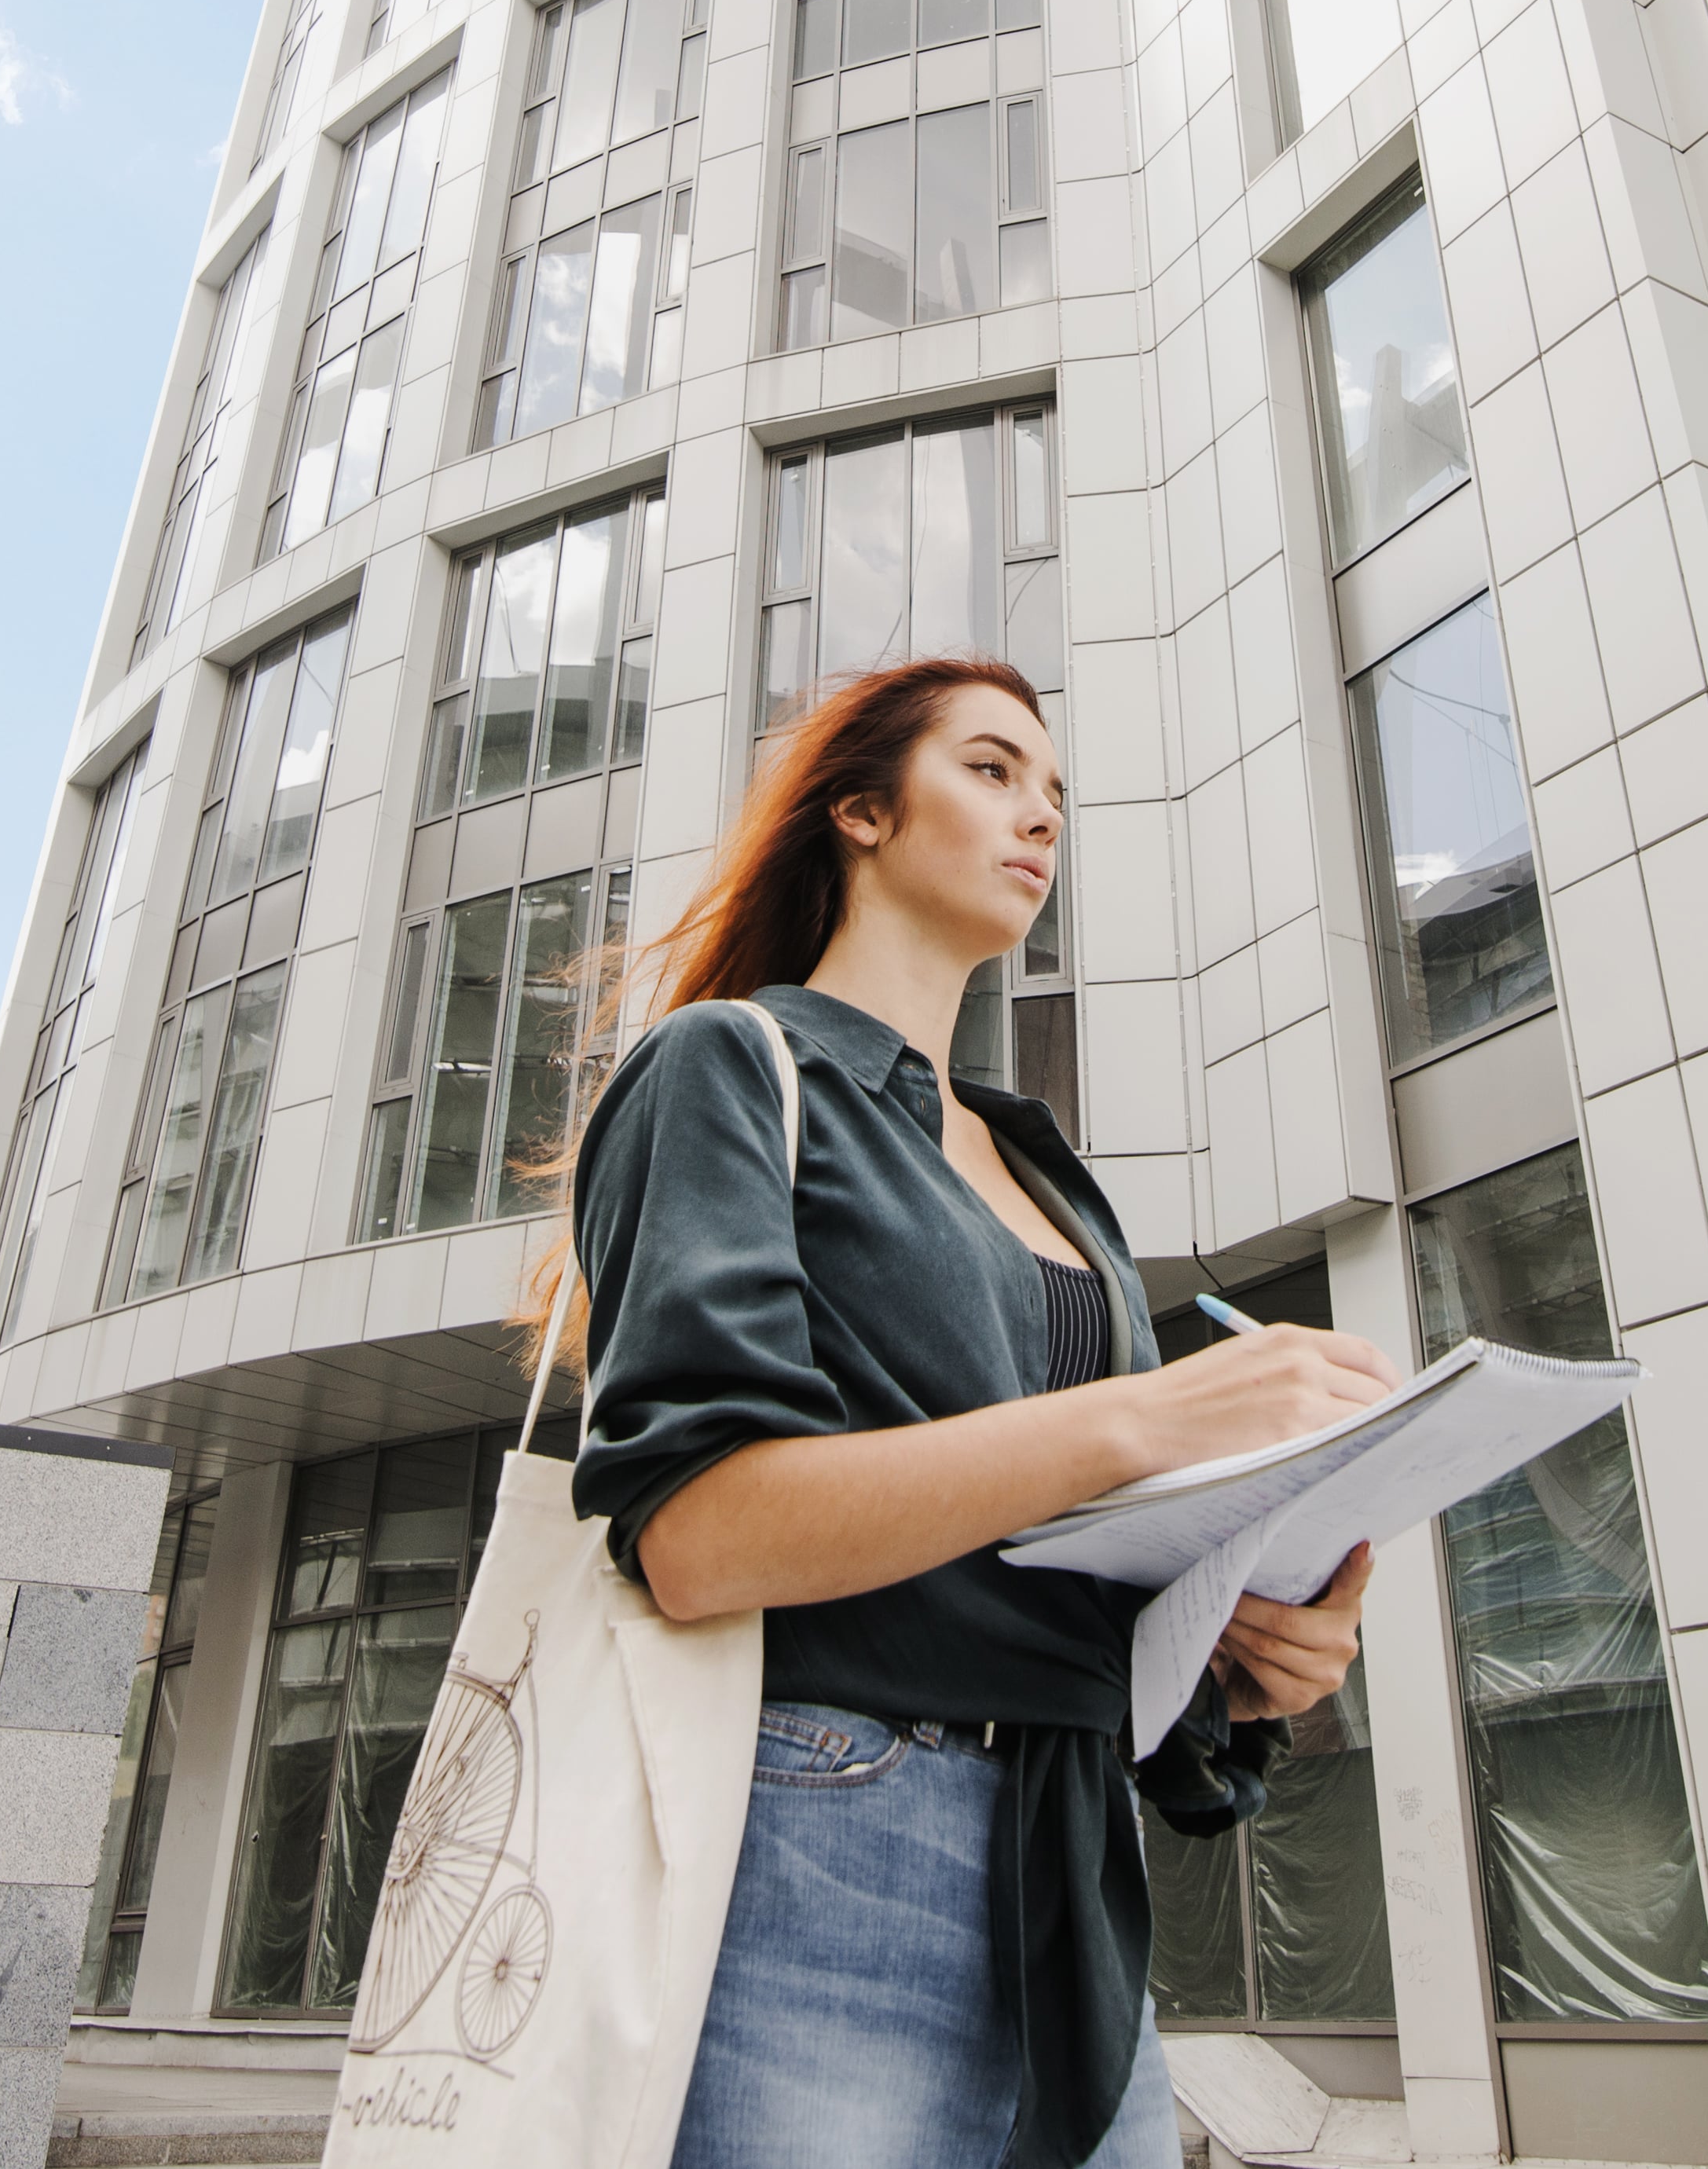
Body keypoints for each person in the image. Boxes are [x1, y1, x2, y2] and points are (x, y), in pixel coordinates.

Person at [530, 654, 1397, 2169]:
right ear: (861, 809)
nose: (1041, 816)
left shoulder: (1048, 1177)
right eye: (993, 770)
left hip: (1073, 1878)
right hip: (821, 1844)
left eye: (1056, 791)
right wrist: (1149, 1422)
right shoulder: (731, 1067)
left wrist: (1245, 1669)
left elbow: (1045, 1557)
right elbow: (702, 1535)